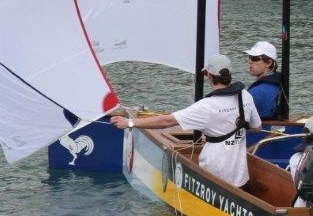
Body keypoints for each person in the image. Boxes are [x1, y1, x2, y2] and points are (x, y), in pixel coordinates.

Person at [110, 54, 261, 188]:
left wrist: (130, 123)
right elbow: (257, 127)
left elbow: (167, 122)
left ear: (208, 75)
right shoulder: (245, 96)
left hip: (213, 176)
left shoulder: (206, 106)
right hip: (239, 178)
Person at [245, 40, 283, 120]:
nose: (250, 62)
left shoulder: (257, 91)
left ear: (269, 63)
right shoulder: (279, 80)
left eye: (254, 59)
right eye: (250, 58)